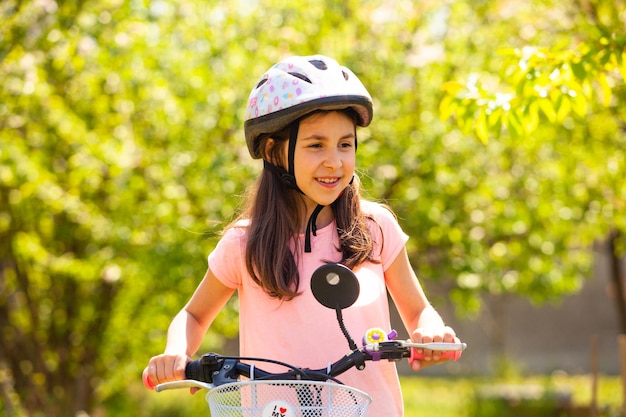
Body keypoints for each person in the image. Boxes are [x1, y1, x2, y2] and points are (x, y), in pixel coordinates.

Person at [144, 54, 461, 416]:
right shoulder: (244, 244)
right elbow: (194, 315)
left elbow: (418, 310)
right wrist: (176, 352)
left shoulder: (375, 227)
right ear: (273, 151)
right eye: (316, 145)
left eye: (345, 144)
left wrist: (432, 334)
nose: (335, 161)